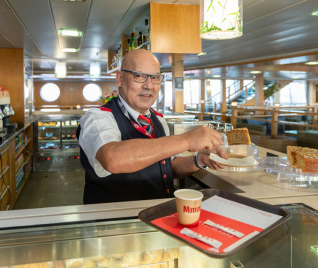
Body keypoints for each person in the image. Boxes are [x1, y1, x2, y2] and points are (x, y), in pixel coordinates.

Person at [78, 49, 227, 204]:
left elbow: (169, 165)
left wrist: (199, 160)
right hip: (115, 222)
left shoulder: (158, 120)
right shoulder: (98, 117)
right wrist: (187, 140)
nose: (149, 86)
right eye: (139, 76)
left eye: (155, 77)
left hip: (158, 216)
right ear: (120, 79)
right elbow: (112, 159)